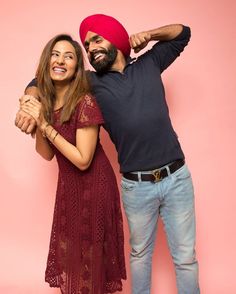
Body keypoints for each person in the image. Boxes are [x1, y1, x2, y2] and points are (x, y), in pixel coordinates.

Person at [15, 14, 200, 294]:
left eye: (97, 39)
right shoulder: (91, 82)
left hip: (177, 178)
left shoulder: (149, 63)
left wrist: (149, 34)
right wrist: (29, 101)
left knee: (186, 259)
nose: (90, 48)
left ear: (116, 39)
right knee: (139, 255)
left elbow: (182, 33)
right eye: (87, 45)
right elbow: (43, 77)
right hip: (136, 186)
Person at [18, 34, 126, 294]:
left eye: (69, 57)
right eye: (55, 54)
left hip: (95, 185)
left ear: (77, 68)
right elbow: (46, 154)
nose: (60, 61)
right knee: (72, 255)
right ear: (46, 62)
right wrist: (39, 120)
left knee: (91, 257)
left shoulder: (84, 101)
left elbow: (82, 159)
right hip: (69, 189)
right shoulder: (46, 101)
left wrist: (44, 125)